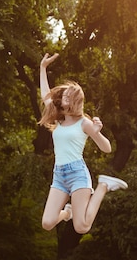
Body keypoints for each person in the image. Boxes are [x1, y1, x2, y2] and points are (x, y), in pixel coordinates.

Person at [39, 52, 128, 234]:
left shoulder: (84, 123)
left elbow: (107, 149)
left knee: (82, 227)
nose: (64, 95)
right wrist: (43, 68)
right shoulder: (59, 119)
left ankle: (103, 186)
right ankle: (67, 214)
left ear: (75, 101)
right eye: (64, 94)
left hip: (77, 174)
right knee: (47, 223)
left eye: (69, 95)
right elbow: (45, 97)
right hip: (59, 175)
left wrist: (97, 134)